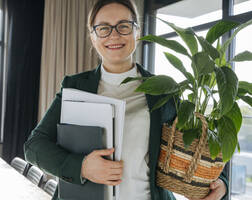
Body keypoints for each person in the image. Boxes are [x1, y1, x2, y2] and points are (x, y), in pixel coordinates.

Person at [24, 0, 228, 199]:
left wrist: (222, 185)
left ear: (137, 32)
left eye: (123, 26)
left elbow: (203, 141)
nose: (114, 35)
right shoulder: (74, 86)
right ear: (93, 37)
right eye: (103, 28)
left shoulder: (163, 90)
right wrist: (82, 167)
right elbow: (34, 146)